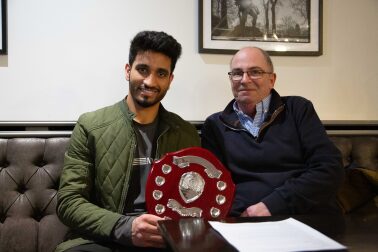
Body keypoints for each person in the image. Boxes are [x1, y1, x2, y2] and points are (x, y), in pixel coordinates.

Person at [56, 31, 200, 252]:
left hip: (165, 238)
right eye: (143, 69)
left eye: (161, 73)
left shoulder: (186, 134)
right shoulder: (90, 126)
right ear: (127, 70)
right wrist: (125, 227)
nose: (150, 81)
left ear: (170, 80)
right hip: (105, 237)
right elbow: (69, 201)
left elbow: (195, 199)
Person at [201, 47, 344, 217]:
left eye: (255, 72)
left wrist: (273, 205)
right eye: (237, 73)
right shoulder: (215, 125)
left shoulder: (298, 109)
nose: (245, 80)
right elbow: (216, 186)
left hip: (304, 215)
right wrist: (244, 213)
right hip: (244, 221)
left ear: (272, 79)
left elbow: (329, 169)